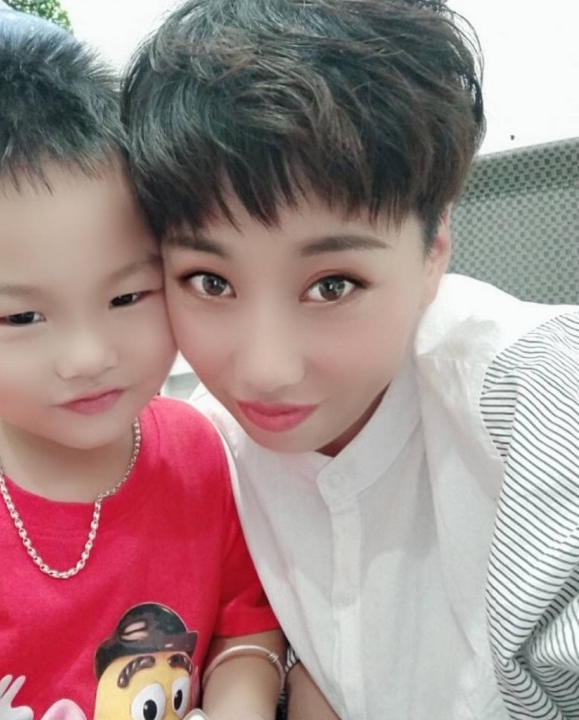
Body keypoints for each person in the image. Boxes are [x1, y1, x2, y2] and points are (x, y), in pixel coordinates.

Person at [121, 1, 579, 718]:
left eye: (333, 285)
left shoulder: (541, 408)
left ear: (433, 247)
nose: (266, 370)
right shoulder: (201, 452)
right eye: (210, 282)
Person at [0, 8, 284, 720]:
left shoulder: (201, 455)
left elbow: (244, 623)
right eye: (23, 317)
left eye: (126, 296)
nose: (88, 357)